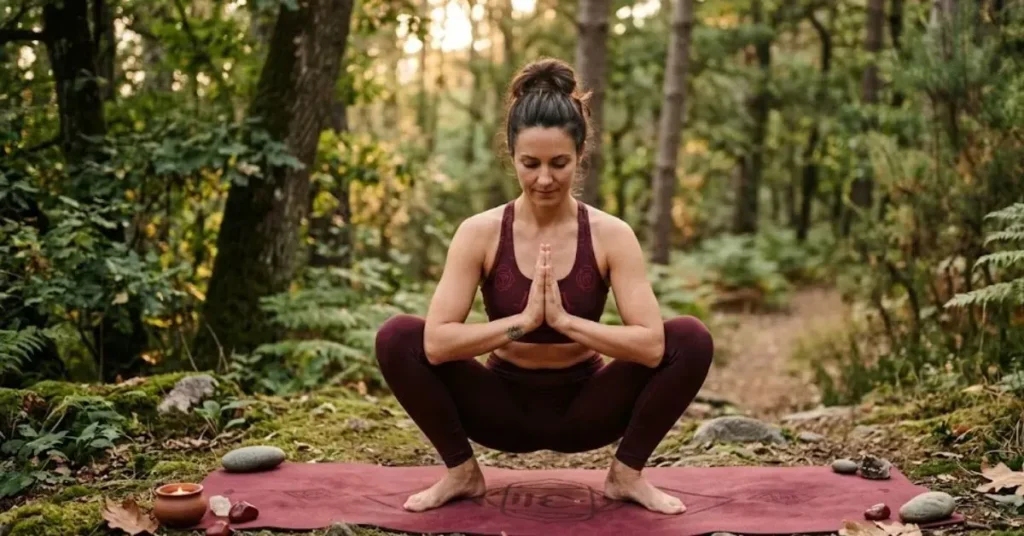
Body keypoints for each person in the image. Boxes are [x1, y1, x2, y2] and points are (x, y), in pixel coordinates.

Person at [374, 57, 714, 515]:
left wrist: (565, 323)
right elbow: (435, 343)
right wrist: (524, 323)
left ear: (581, 154)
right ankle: (462, 472)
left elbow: (652, 346)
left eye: (559, 163)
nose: (545, 178)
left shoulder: (611, 235)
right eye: (530, 163)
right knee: (397, 336)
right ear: (511, 155)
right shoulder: (480, 232)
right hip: (500, 409)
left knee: (691, 338)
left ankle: (626, 474)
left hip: (588, 409)